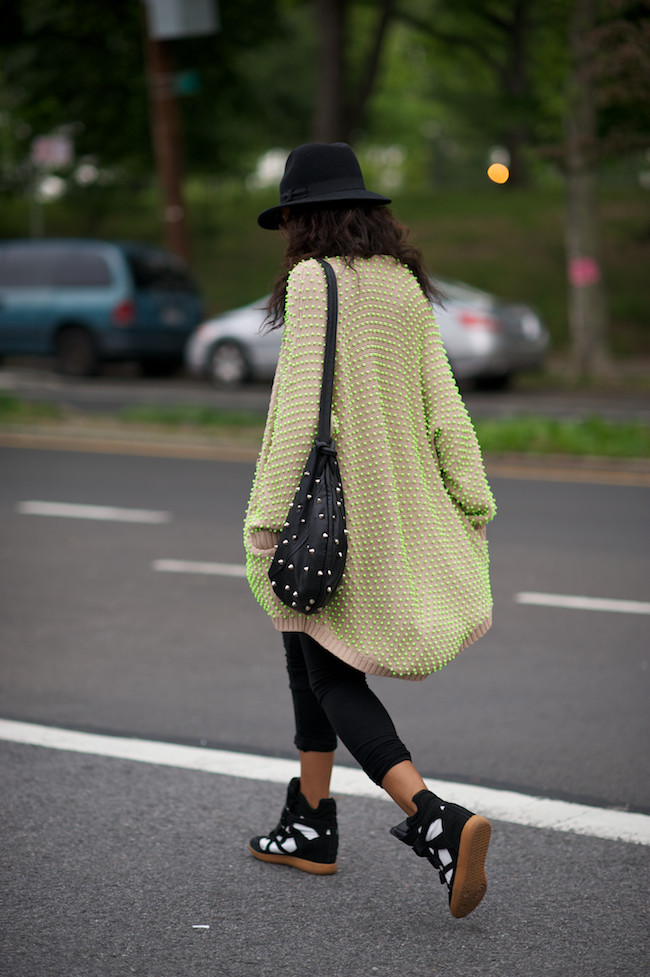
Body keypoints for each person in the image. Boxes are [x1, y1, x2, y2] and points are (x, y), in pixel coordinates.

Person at [243, 142, 496, 919]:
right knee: (305, 652)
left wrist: (264, 519)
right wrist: (472, 495)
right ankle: (311, 823)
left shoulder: (312, 282)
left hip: (332, 513)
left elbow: (298, 412)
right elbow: (443, 401)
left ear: (301, 217)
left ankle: (433, 818)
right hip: (393, 509)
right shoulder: (401, 285)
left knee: (328, 675)